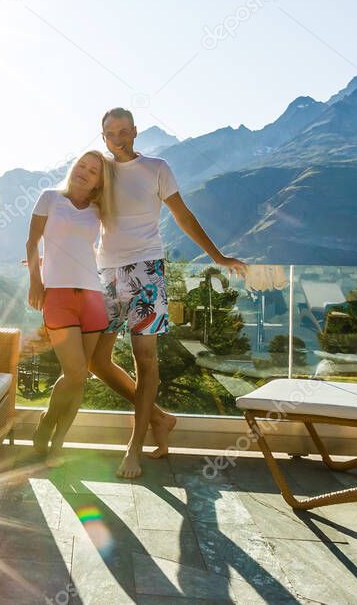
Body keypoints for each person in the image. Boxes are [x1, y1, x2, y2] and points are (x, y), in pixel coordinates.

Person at [92, 107, 247, 479]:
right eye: (110, 132)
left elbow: (183, 215)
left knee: (145, 360)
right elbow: (76, 212)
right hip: (106, 272)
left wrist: (218, 256)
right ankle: (160, 418)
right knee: (98, 361)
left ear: (134, 131)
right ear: (103, 138)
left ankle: (135, 447)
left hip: (146, 269)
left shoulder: (157, 167)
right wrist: (44, 254)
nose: (118, 137)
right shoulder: (100, 171)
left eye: (124, 130)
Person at [26, 150, 115, 466]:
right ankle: (48, 421)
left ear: (98, 182)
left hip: (93, 297)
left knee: (78, 377)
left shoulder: (99, 209)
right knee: (75, 371)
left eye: (93, 171)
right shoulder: (50, 198)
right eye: (82, 165)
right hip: (58, 297)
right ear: (73, 167)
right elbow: (32, 243)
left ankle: (59, 441)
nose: (85, 172)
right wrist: (35, 281)